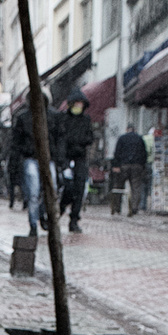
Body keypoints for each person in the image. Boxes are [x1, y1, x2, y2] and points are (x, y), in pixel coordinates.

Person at [12, 87, 65, 236]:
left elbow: (60, 137)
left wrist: (59, 157)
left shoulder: (54, 116)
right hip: (31, 158)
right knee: (33, 191)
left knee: (51, 188)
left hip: (49, 159)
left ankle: (43, 215)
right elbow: (16, 142)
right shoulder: (23, 118)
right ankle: (33, 223)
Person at [59, 87, 94, 233]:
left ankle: (74, 219)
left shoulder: (86, 120)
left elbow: (90, 138)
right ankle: (60, 209)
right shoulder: (64, 119)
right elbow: (61, 138)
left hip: (80, 157)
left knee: (79, 189)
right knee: (68, 187)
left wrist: (80, 142)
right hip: (66, 157)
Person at [110, 124, 148, 216]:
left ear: (127, 129)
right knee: (136, 187)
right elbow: (144, 153)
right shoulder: (140, 138)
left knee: (119, 186)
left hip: (124, 165)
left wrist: (116, 165)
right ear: (135, 129)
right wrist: (142, 165)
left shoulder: (122, 138)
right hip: (137, 165)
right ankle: (134, 208)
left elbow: (117, 152)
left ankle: (116, 207)